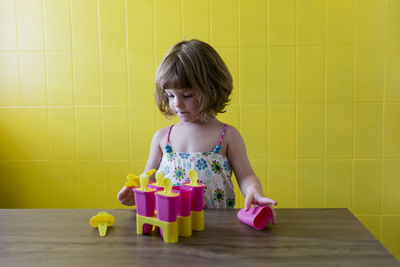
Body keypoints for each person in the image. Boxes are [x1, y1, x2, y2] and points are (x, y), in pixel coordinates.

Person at [118, 39, 277, 211]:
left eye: (187, 95)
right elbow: (148, 179)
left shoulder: (227, 136)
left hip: (217, 230)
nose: (177, 103)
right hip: (171, 227)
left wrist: (254, 191)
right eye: (170, 95)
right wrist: (136, 192)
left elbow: (246, 176)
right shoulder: (162, 138)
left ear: (212, 89)